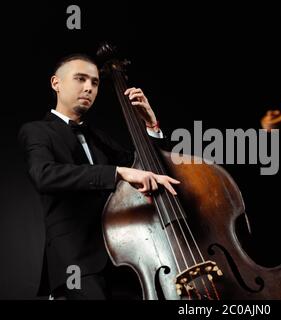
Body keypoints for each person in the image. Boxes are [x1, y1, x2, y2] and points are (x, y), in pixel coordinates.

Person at [18, 54, 180, 300]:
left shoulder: (99, 137)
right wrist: (117, 173)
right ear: (56, 83)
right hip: (76, 261)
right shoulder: (36, 131)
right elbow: (44, 175)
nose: (89, 88)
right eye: (80, 79)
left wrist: (151, 123)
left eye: (95, 83)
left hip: (126, 256)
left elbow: (150, 167)